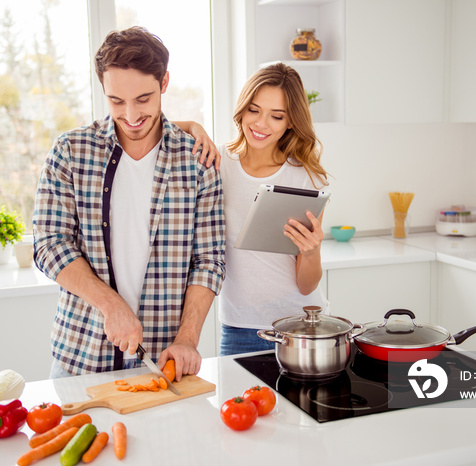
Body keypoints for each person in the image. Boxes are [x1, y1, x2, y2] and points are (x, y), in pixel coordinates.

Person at [33, 26, 225, 379]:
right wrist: (111, 305)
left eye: (143, 99)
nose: (132, 115)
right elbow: (48, 244)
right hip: (80, 358)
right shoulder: (71, 152)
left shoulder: (197, 160)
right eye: (116, 101)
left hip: (164, 363)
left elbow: (209, 260)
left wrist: (187, 339)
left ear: (164, 83)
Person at [181, 63, 330, 355]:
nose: (261, 124)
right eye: (254, 109)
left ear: (291, 122)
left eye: (277, 116)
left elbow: (306, 284)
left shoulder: (307, 178)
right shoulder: (216, 161)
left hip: (301, 327)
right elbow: (150, 128)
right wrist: (192, 127)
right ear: (242, 108)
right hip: (239, 328)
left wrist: (311, 252)